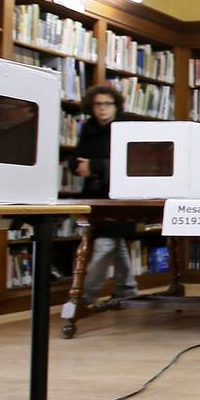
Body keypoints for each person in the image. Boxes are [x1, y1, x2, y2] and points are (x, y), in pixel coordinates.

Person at [71, 85, 137, 307]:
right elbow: (75, 158)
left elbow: (132, 162)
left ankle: (84, 295)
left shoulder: (126, 127)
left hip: (120, 197)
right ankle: (127, 289)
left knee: (105, 244)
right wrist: (79, 166)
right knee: (113, 244)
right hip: (94, 196)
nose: (102, 109)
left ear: (116, 106)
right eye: (98, 104)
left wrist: (95, 166)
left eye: (107, 104)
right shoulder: (88, 129)